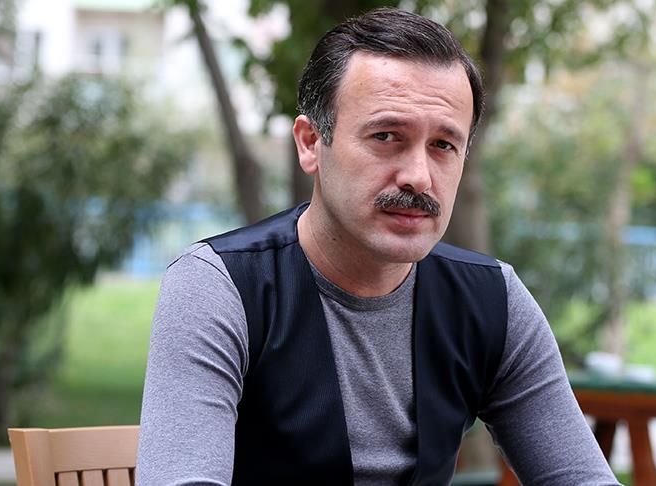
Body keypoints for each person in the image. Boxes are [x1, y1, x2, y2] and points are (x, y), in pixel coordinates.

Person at [137, 7, 619, 486]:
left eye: (443, 145)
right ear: (311, 143)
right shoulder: (221, 287)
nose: (418, 176)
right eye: (386, 136)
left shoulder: (491, 300)